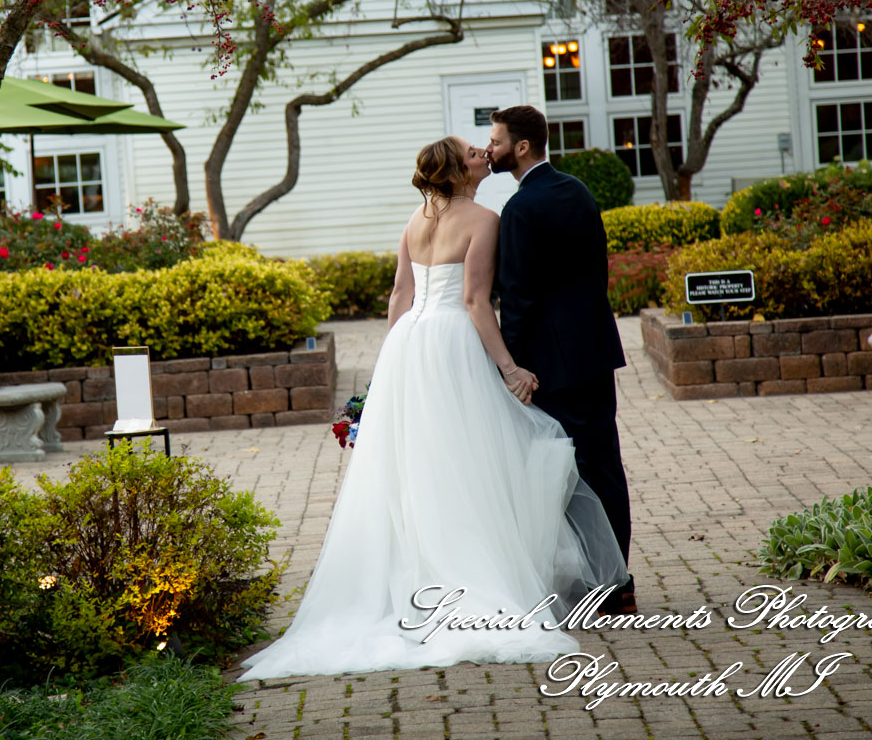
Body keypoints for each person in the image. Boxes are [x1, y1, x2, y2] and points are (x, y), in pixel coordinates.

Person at [237, 136, 627, 680]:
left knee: (415, 461)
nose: (482, 154)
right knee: (466, 457)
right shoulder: (483, 219)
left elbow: (399, 297)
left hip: (408, 345)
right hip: (450, 342)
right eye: (473, 151)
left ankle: (415, 568)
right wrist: (511, 368)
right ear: (457, 170)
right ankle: (469, 576)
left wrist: (389, 369)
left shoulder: (413, 221)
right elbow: (473, 301)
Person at [486, 105, 635, 615]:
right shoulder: (578, 190)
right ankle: (620, 584)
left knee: (563, 474)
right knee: (606, 464)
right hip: (595, 350)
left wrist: (514, 367)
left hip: (551, 362)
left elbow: (518, 297)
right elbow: (599, 268)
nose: (491, 148)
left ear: (521, 147)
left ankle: (591, 586)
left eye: (497, 140)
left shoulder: (520, 210)